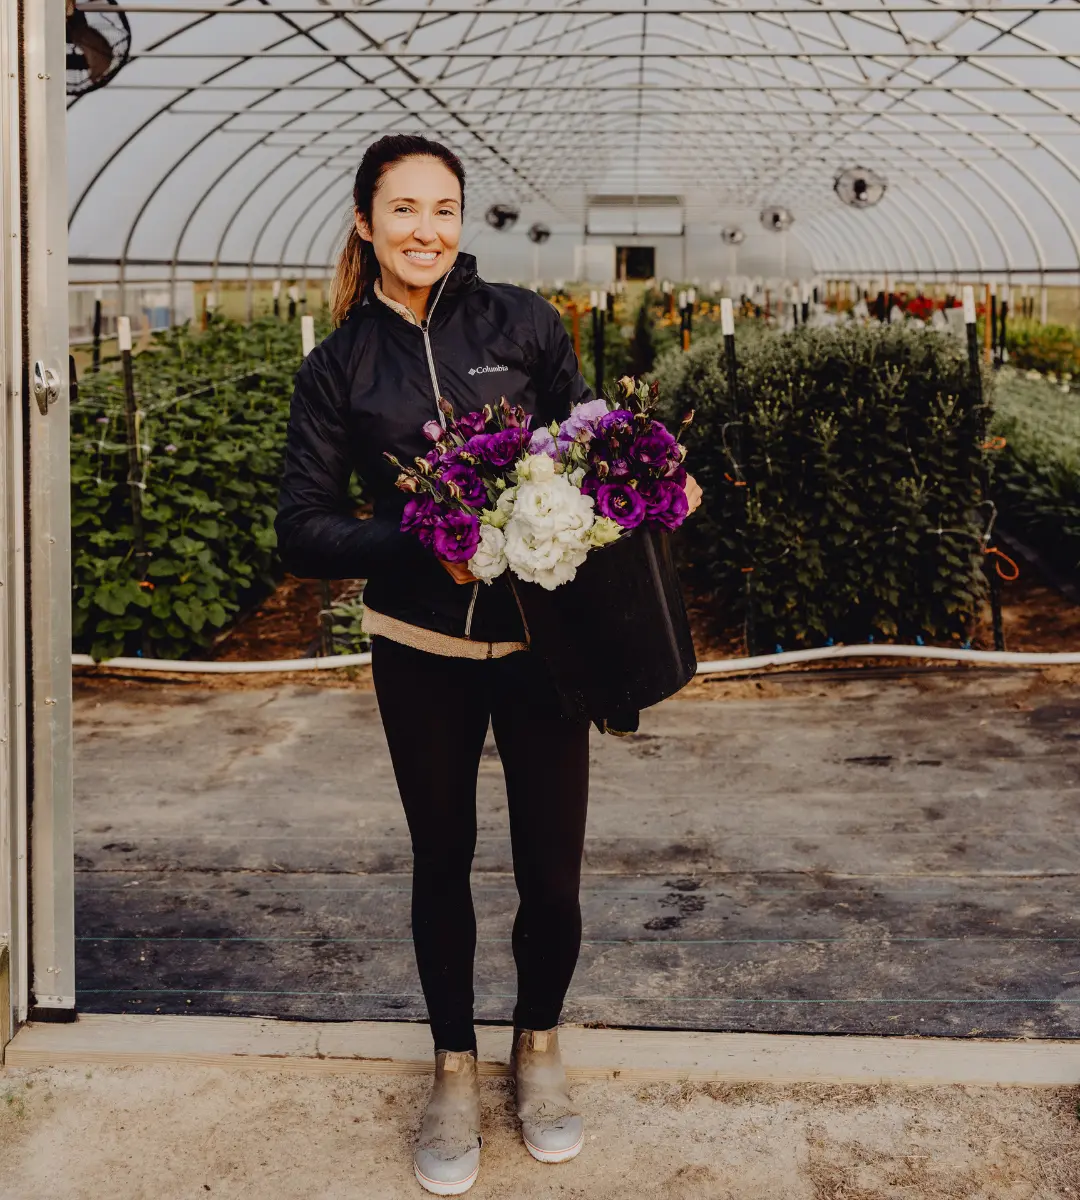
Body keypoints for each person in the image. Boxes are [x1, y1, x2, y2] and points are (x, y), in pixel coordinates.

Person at [276, 133, 701, 1196]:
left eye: (445, 209)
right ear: (365, 224)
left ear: (463, 221)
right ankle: (454, 1069)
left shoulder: (524, 324)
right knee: (443, 860)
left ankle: (540, 1050)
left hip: (542, 645)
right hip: (420, 649)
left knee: (552, 872)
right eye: (404, 210)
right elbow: (303, 529)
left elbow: (589, 450)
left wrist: (647, 484)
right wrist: (425, 535)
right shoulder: (339, 369)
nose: (427, 229)